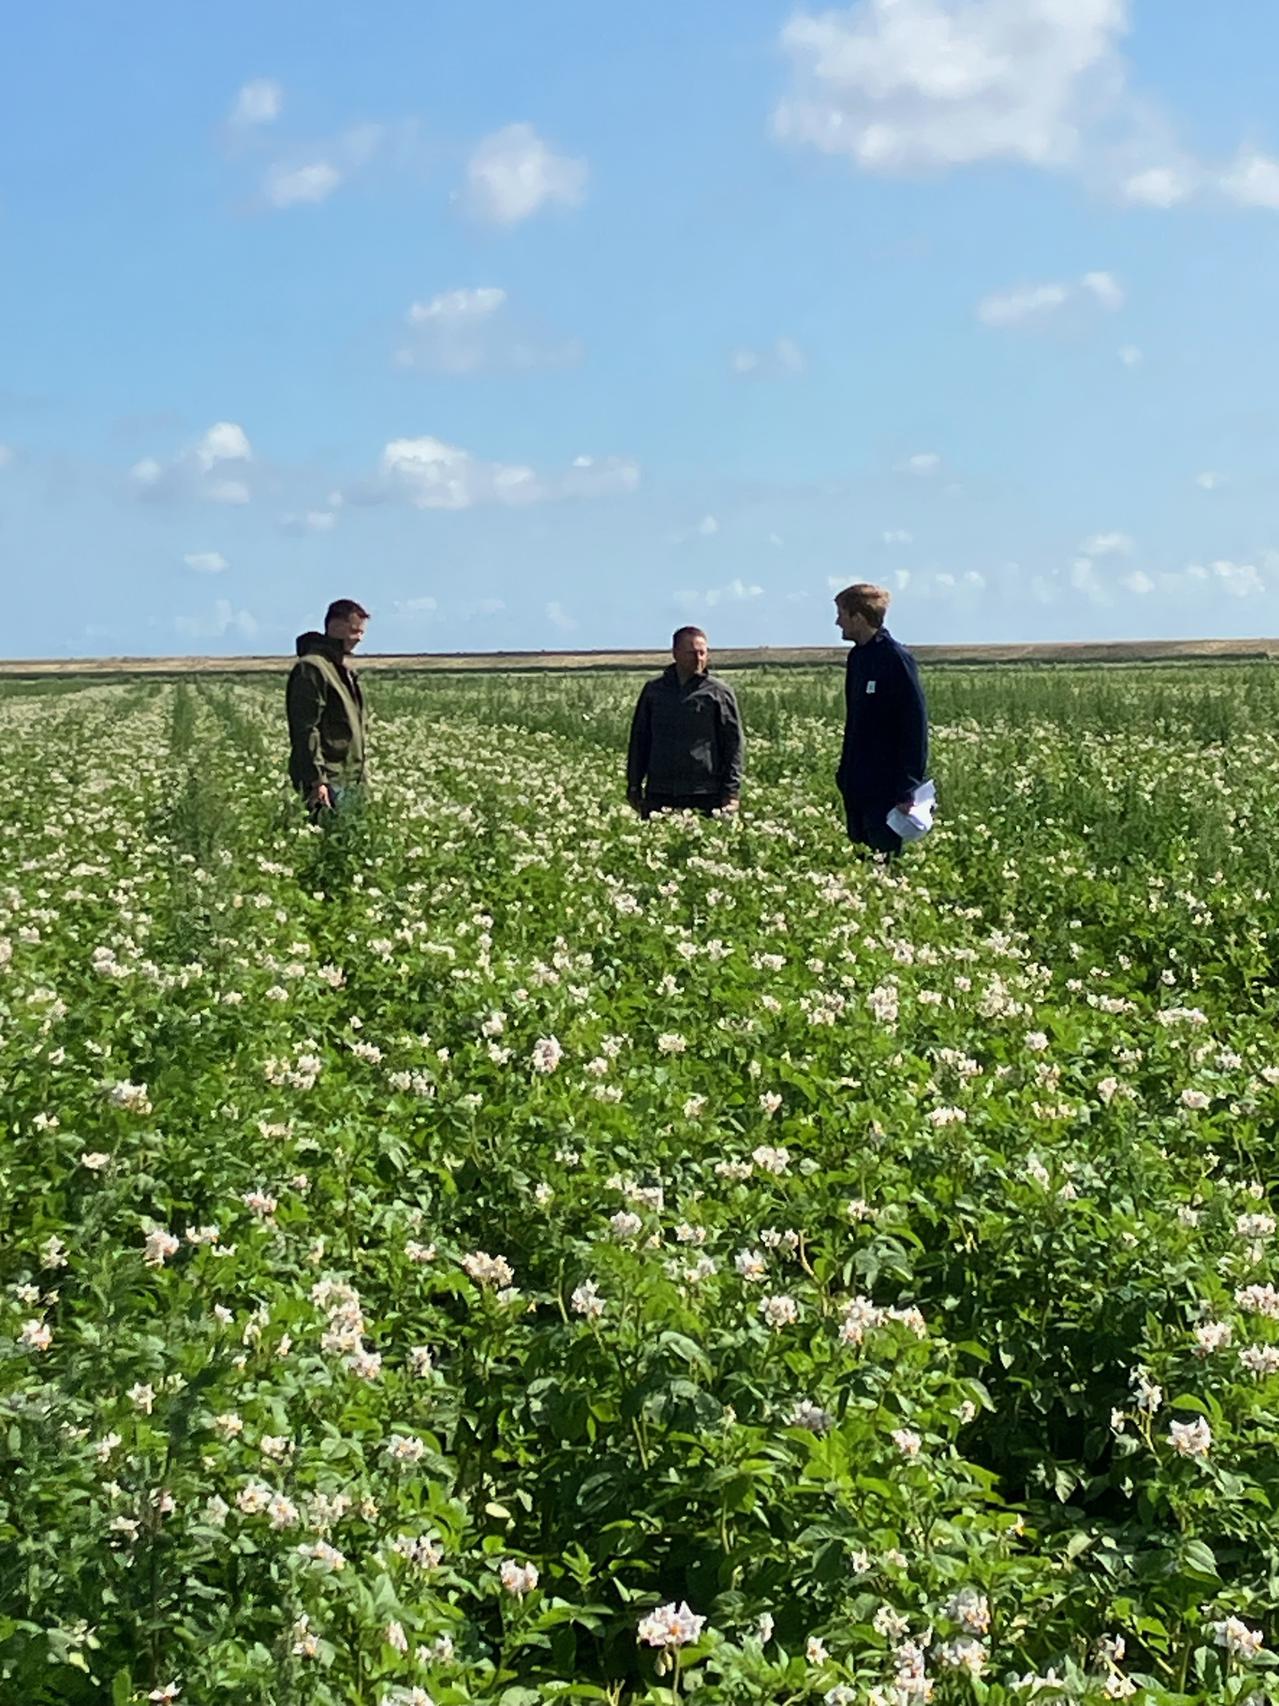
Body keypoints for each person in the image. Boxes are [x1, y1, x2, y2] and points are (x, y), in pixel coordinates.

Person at [833, 583, 928, 854]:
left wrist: (908, 787)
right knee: (862, 860)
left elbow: (915, 725)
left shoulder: (895, 658)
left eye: (842, 613)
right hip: (858, 784)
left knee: (883, 861)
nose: (837, 622)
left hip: (886, 788)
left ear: (858, 617)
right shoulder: (858, 658)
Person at [626, 626, 744, 817]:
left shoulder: (718, 693)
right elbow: (640, 740)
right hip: (660, 791)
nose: (699, 659)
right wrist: (633, 784)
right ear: (676, 654)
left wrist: (731, 792)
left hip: (704, 792)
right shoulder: (654, 691)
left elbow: (733, 744)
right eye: (691, 653)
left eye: (702, 653)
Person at [286, 599, 370, 814]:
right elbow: (306, 729)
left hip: (351, 777)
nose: (359, 638)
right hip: (329, 780)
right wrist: (317, 781)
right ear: (335, 626)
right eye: (354, 631)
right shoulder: (312, 667)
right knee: (330, 842)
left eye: (361, 632)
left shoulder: (342, 669)